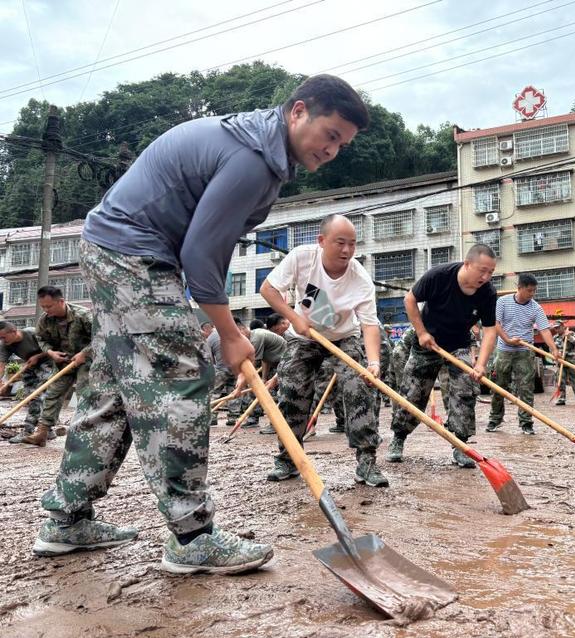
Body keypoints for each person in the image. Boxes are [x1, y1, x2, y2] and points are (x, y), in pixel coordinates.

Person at [33, 74, 368, 573]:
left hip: (114, 249)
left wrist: (225, 324)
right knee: (181, 376)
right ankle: (192, 537)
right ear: (298, 112)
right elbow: (200, 253)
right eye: (331, 134)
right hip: (133, 254)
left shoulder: (261, 148)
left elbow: (206, 243)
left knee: (114, 390)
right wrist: (230, 335)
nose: (333, 150)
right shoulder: (254, 159)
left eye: (343, 143)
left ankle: (65, 519)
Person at [259, 214, 388, 488]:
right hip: (303, 335)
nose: (347, 250)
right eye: (340, 242)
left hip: (344, 336)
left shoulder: (360, 278)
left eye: (352, 244)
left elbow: (369, 325)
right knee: (293, 389)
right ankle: (288, 458)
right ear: (321, 241)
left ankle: (367, 461)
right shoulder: (302, 258)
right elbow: (268, 289)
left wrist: (374, 362)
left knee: (359, 386)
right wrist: (294, 318)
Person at [386, 244, 498, 467]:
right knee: (413, 392)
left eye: (491, 272)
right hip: (429, 343)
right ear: (467, 264)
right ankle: (398, 438)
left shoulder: (487, 293)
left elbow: (490, 330)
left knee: (465, 391)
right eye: (482, 270)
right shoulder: (439, 276)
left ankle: (461, 445)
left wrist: (481, 364)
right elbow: (410, 299)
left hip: (459, 345)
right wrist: (421, 333)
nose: (485, 277)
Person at [20, 287, 92, 447]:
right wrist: (51, 353)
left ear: (61, 301)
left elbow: (102, 337)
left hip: (87, 361)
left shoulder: (83, 315)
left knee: (84, 394)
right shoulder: (45, 320)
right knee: (52, 394)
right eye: (43, 306)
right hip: (63, 361)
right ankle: (42, 433)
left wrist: (84, 354)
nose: (46, 310)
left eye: (49, 306)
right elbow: (41, 338)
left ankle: (86, 434)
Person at [486, 274, 557, 434]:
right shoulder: (503, 302)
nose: (532, 294)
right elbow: (495, 323)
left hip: (525, 352)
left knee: (526, 388)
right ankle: (495, 420)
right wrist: (507, 339)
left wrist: (553, 348)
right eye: (529, 291)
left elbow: (544, 329)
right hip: (504, 350)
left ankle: (526, 423)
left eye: (534, 291)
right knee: (498, 386)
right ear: (519, 288)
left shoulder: (535, 307)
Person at [0, 321, 53, 443]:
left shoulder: (32, 333)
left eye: (3, 337)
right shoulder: (5, 344)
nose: (2, 340)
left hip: (48, 363)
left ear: (14, 332)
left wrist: (37, 357)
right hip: (29, 366)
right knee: (29, 397)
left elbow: (54, 348)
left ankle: (28, 430)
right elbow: (1, 365)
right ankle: (48, 431)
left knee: (38, 396)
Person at [554, 322, 575, 406]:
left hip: (571, 360)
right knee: (560, 379)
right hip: (560, 361)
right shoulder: (555, 338)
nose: (556, 330)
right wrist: (556, 355)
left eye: (558, 327)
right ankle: (561, 398)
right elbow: (552, 349)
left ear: (563, 327)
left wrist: (569, 337)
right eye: (555, 328)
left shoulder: (571, 333)